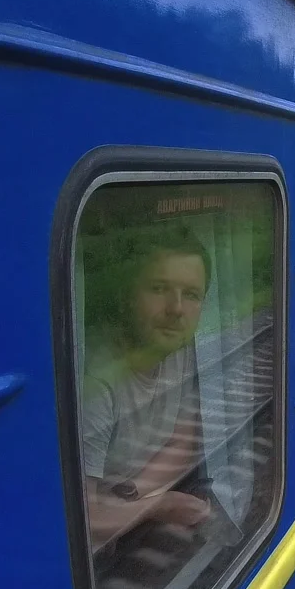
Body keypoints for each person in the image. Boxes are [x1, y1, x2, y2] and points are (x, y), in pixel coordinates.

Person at [82, 221, 212, 550]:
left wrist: (132, 495)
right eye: (158, 288)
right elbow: (83, 520)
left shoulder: (178, 346)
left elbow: (184, 439)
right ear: (126, 296)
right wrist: (158, 506)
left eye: (191, 295)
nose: (176, 309)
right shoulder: (96, 384)